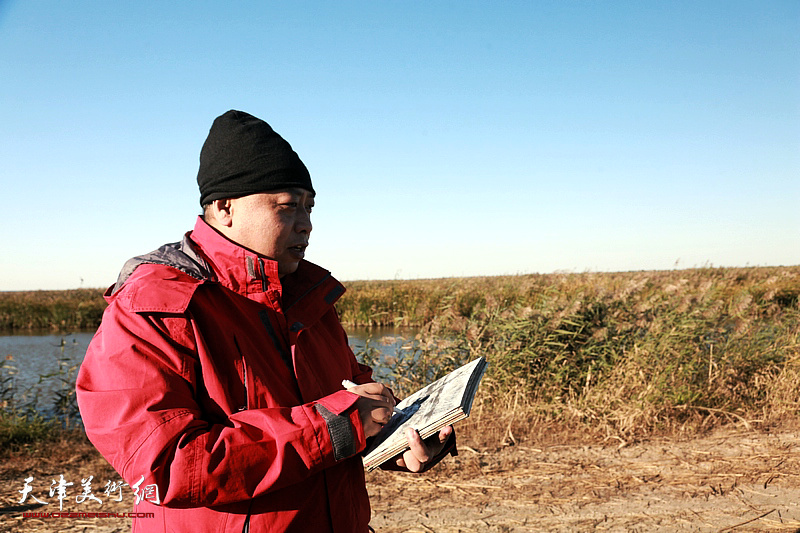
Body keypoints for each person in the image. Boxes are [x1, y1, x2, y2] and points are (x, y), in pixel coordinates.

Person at [76, 110, 456, 532]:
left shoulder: (309, 297)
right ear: (224, 208)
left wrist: (394, 439)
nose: (306, 225)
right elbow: (168, 464)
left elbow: (348, 405)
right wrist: (340, 426)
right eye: (288, 207)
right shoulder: (154, 307)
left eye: (310, 208)